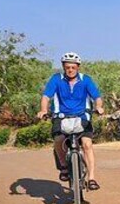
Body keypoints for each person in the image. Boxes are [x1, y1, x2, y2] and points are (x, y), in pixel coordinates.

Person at [36, 52, 105, 190]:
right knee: (58, 140)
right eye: (67, 67)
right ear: (63, 67)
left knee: (87, 144)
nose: (70, 70)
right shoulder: (56, 79)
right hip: (60, 117)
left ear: (78, 67)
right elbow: (46, 96)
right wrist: (43, 110)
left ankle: (91, 178)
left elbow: (96, 96)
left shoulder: (86, 80)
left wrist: (99, 107)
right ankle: (63, 167)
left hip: (82, 117)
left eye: (73, 67)